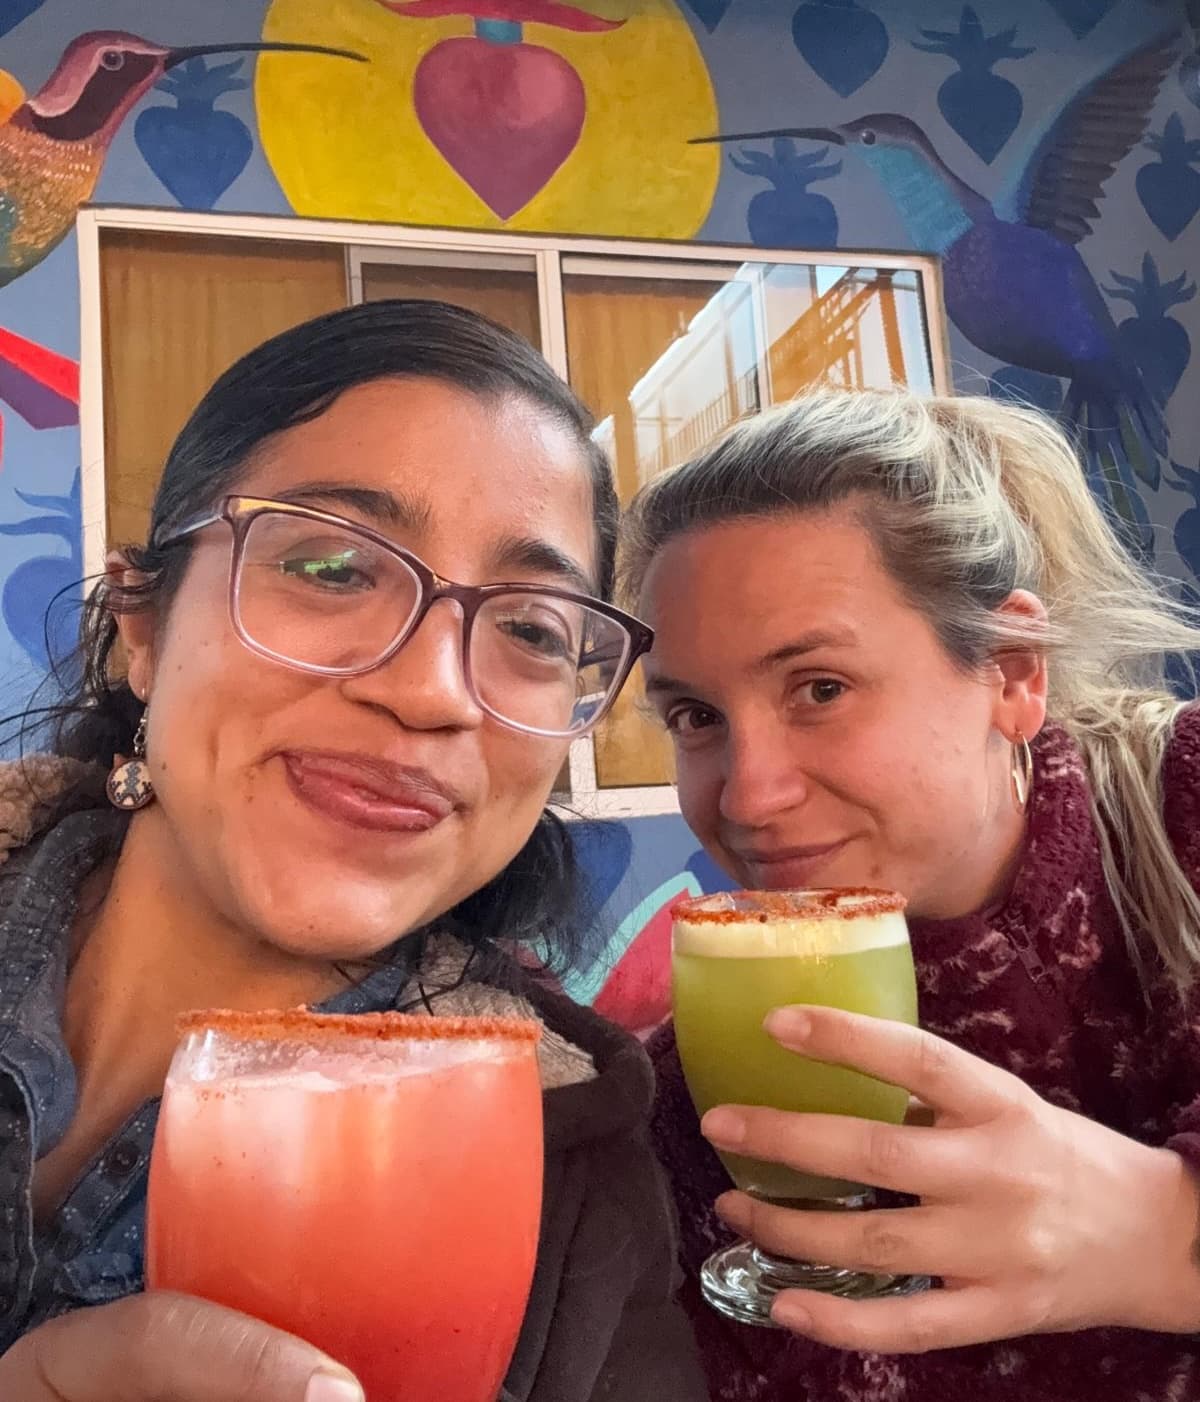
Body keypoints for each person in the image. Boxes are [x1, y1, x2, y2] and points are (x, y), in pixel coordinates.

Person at [0, 299, 706, 1402]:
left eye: (530, 629)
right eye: (331, 566)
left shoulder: (580, 1176)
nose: (429, 691)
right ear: (142, 623)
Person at [624, 386, 1200, 1402]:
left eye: (820, 689)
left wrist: (1163, 1237)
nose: (749, 796)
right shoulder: (693, 1108)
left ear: (1013, 673)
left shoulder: (1181, 813)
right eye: (697, 716)